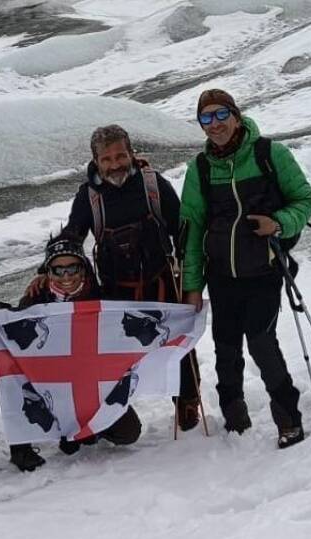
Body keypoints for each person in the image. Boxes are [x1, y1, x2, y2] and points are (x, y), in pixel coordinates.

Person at [179, 89, 311, 449]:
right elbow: (191, 229)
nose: (214, 124)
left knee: (260, 342)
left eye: (220, 114)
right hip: (221, 276)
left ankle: (289, 417)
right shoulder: (201, 168)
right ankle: (234, 415)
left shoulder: (269, 154)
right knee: (225, 347)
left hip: (264, 271)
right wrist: (192, 286)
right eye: (205, 118)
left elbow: (305, 200)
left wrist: (280, 223)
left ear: (236, 115)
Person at [52, 124, 202, 431]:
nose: (115, 164)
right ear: (95, 161)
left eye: (121, 155)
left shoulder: (153, 185)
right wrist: (48, 271)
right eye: (106, 159)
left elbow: (182, 232)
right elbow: (72, 240)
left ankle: (186, 401)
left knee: (177, 349)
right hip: (115, 292)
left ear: (132, 153)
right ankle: (116, 418)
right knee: (113, 361)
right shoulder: (88, 198)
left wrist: (190, 282)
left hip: (161, 283)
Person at [7, 233, 142, 471]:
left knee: (129, 433)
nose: (66, 276)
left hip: (92, 385)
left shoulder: (102, 300)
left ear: (84, 268)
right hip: (50, 386)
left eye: (73, 268)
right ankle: (44, 435)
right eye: (58, 270)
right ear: (48, 272)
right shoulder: (34, 300)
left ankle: (88, 429)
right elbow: (15, 351)